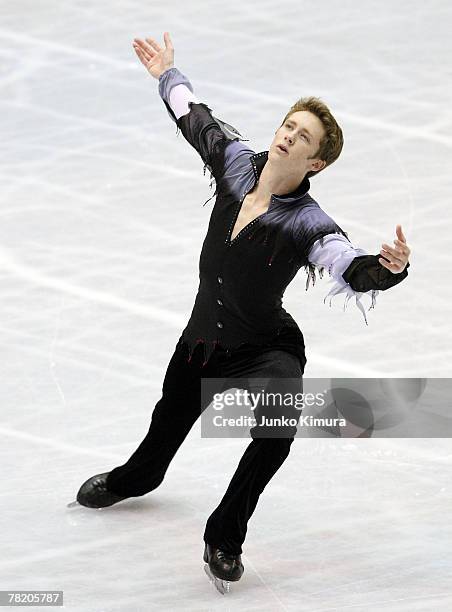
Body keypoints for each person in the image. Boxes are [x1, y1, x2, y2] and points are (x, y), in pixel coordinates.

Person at [74, 32, 411, 590]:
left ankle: (225, 535)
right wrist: (167, 74)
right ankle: (136, 480)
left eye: (303, 137)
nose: (288, 137)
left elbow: (350, 267)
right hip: (203, 340)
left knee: (277, 427)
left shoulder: (307, 221)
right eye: (288, 126)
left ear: (317, 161)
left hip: (265, 349)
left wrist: (390, 267)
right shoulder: (234, 164)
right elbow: (196, 119)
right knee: (164, 430)